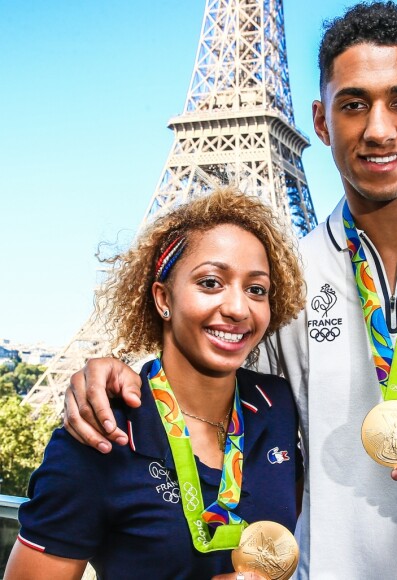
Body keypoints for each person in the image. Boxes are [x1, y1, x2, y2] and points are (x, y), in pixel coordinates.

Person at [62, 2, 397, 579]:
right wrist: (114, 377)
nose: (379, 128)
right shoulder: (278, 283)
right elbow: (202, 400)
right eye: (353, 104)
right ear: (319, 120)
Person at [6, 187, 305, 580]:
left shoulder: (276, 406)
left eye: (256, 289)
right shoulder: (101, 432)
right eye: (211, 282)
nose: (237, 308)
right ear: (163, 298)